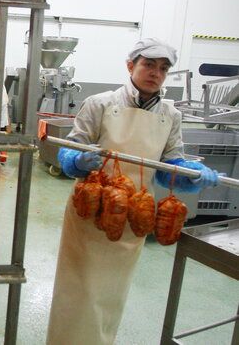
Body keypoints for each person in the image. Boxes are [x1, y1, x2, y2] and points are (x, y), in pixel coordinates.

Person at [46, 38, 223, 345]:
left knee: (111, 297)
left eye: (163, 68)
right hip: (91, 213)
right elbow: (68, 149)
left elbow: (169, 166)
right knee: (79, 292)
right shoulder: (101, 104)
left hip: (134, 217)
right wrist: (77, 160)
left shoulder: (171, 115)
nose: (156, 73)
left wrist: (190, 176)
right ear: (131, 66)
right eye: (148, 65)